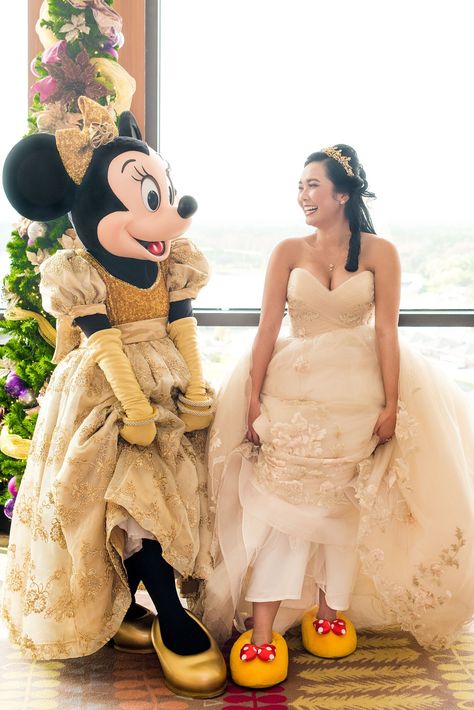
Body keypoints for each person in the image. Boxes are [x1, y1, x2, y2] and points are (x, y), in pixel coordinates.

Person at [202, 144, 474, 689]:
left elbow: (385, 332)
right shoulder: (286, 250)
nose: (302, 195)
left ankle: (332, 607)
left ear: (342, 193)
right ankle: (261, 630)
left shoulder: (380, 252)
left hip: (358, 393)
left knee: (346, 506)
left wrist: (392, 404)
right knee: (281, 503)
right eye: (300, 186)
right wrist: (253, 396)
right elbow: (264, 329)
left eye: (312, 185)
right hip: (292, 391)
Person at [1, 97, 226, 699]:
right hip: (108, 381)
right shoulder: (78, 270)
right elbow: (100, 341)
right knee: (122, 497)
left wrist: (198, 389)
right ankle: (170, 617)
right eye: (145, 195)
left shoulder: (173, 263)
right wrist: (130, 408)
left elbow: (182, 324)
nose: (167, 212)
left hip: (169, 371)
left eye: (163, 191)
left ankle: (136, 605)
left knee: (179, 491)